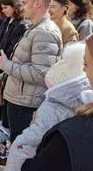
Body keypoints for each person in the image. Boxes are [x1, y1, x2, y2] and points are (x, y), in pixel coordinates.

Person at [0, 0, 62, 142]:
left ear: (38, 4)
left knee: (21, 146)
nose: (21, 6)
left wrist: (4, 65)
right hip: (19, 98)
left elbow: (40, 74)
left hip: (26, 103)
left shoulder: (44, 32)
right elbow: (23, 61)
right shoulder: (35, 28)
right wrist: (3, 76)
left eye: (25, 2)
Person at [5, 42, 91, 171]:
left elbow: (38, 72)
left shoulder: (70, 129)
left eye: (86, 64)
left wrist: (5, 65)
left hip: (27, 100)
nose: (84, 70)